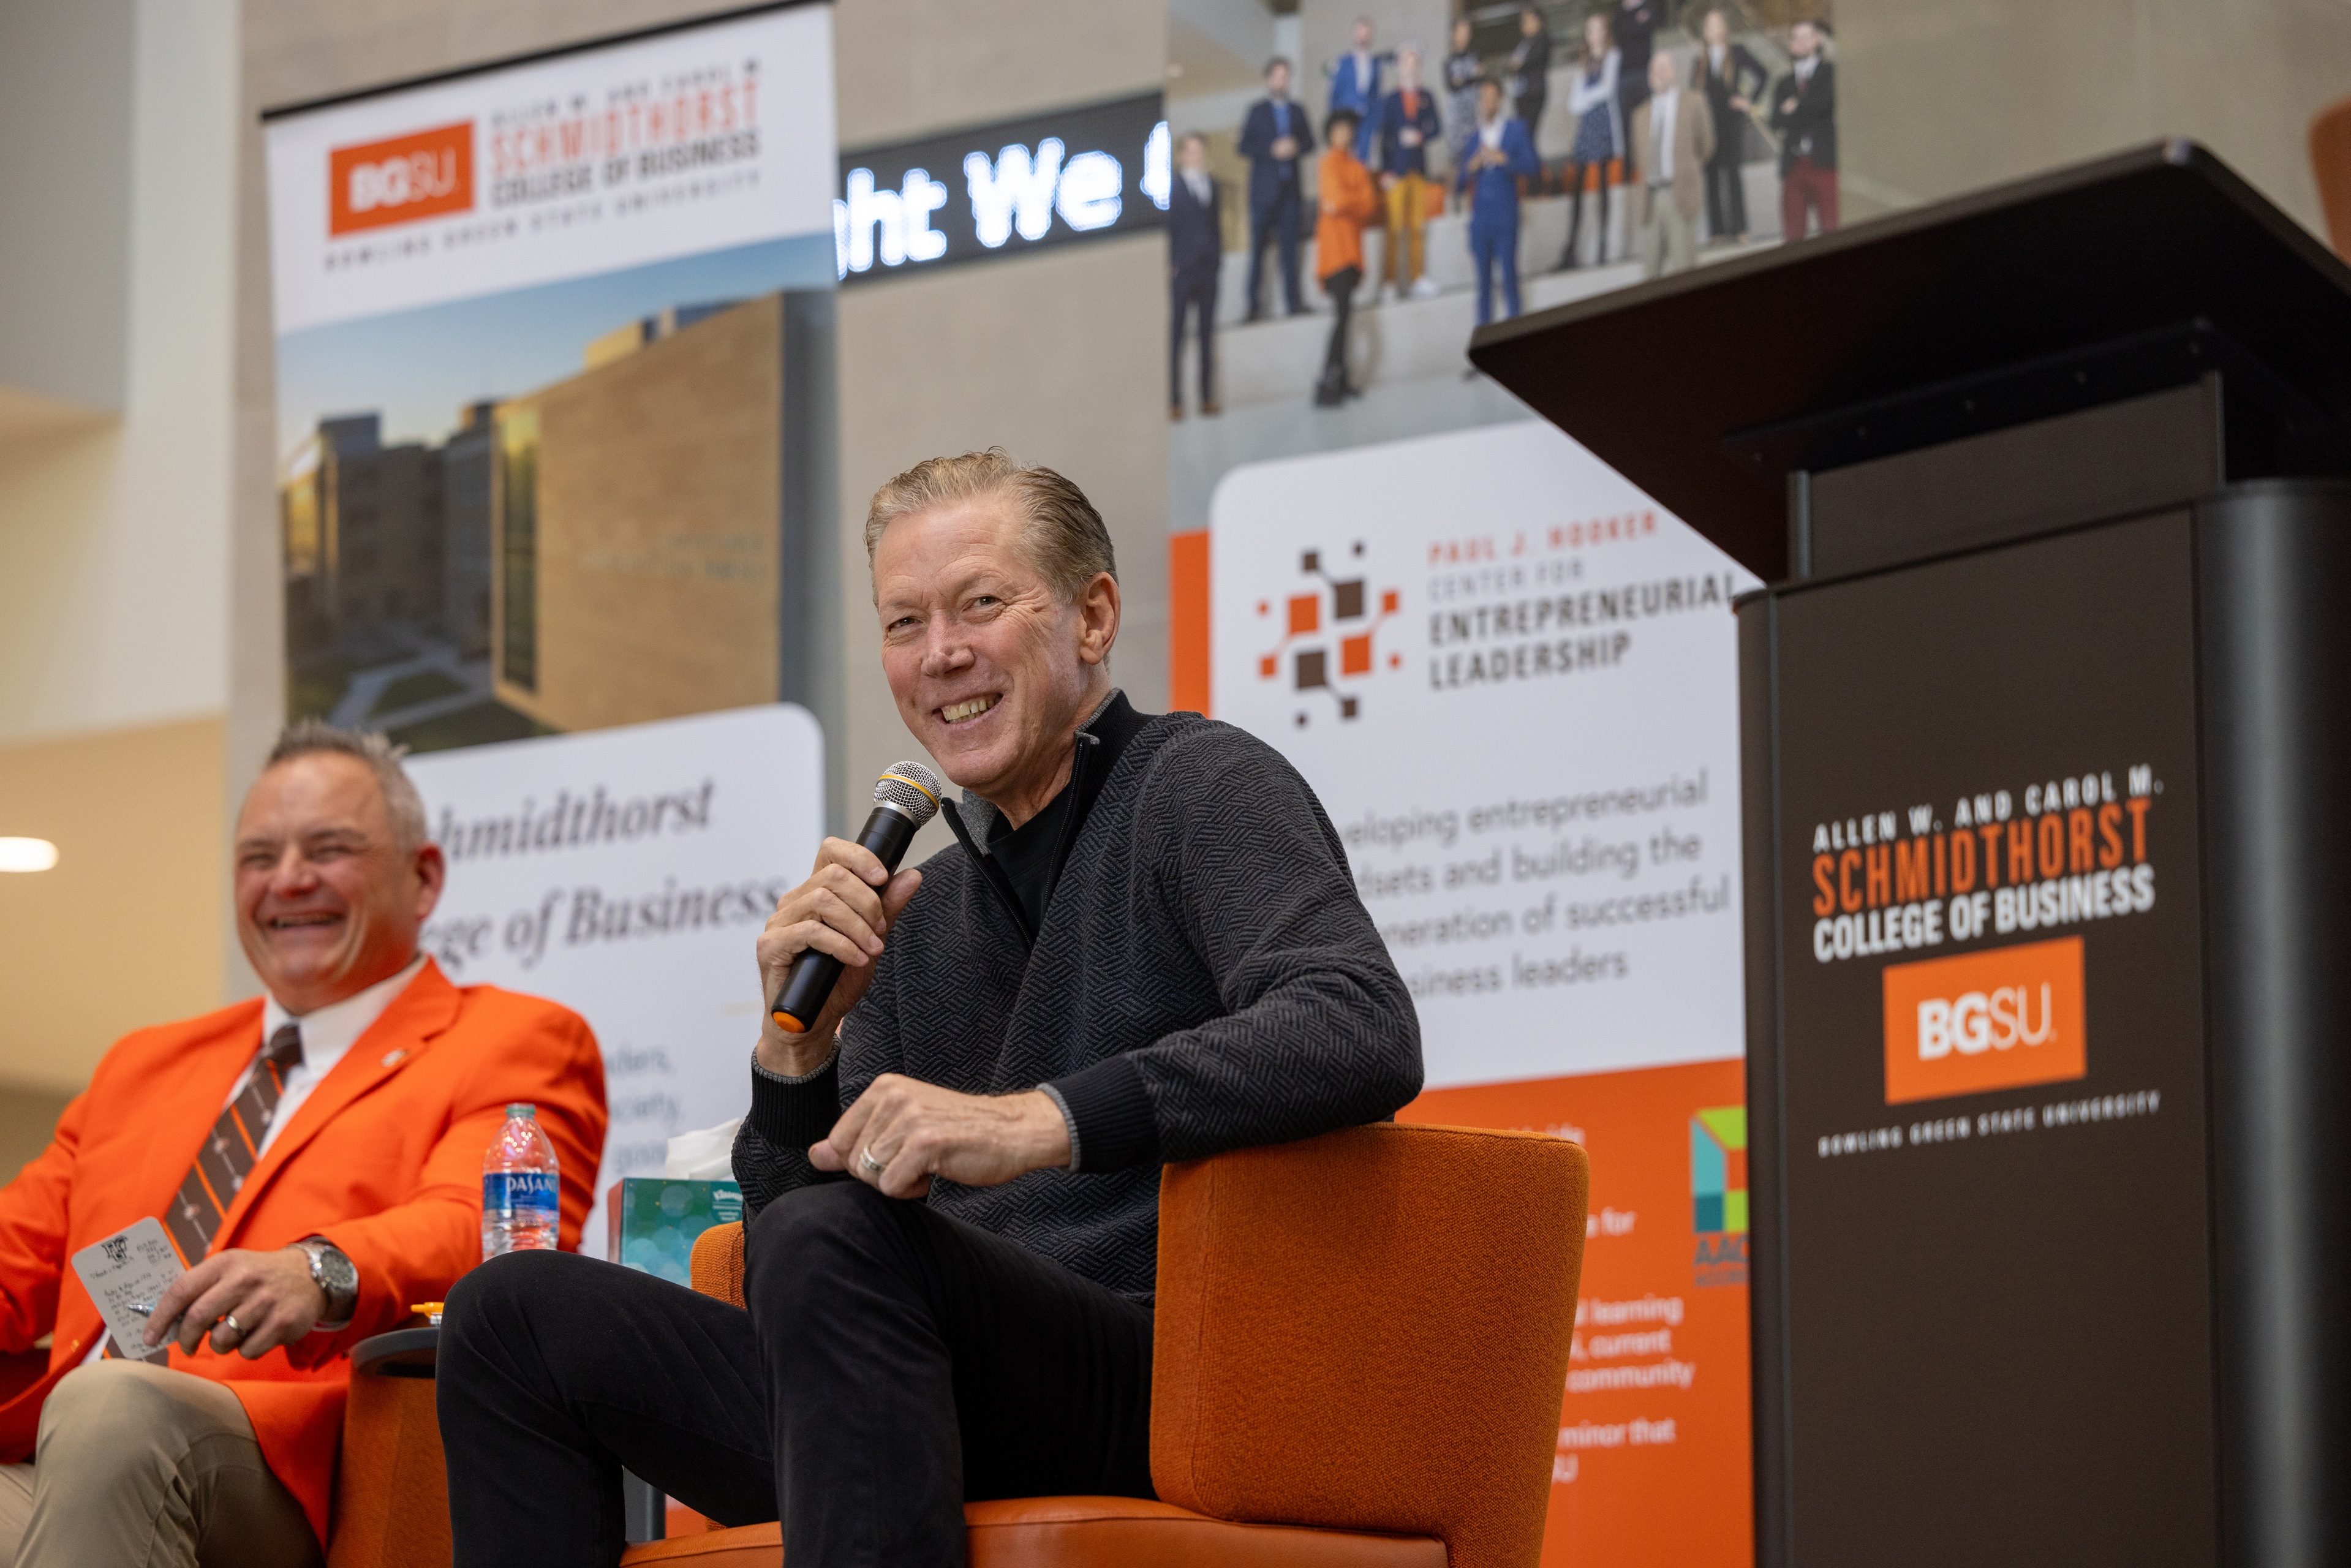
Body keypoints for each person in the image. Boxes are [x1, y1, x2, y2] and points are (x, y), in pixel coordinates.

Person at [437, 451, 1425, 1567]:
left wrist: (1035, 1120)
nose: (940, 653)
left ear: (1093, 616)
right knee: (509, 1317)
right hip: (907, 1377)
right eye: (904, 623)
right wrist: (792, 1048)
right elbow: (790, 1252)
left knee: (840, 1237)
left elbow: (1354, 1022)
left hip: (1156, 1372)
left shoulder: (1198, 784)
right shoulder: (920, 900)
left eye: (980, 605)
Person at [0, 722, 605, 1568]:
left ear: (423, 877)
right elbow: (15, 1256)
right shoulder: (142, 1066)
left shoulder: (518, 1037)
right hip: (59, 1461)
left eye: (330, 848)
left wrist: (321, 1270)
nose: (289, 880)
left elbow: (481, 1225)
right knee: (98, 1413)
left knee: (111, 1407)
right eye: (259, 858)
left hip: (296, 1468)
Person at [1239, 57, 1315, 320]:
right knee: (1258, 253)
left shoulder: (1297, 110)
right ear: (1268, 79)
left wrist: (1295, 147)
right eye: (1278, 76)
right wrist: (1271, 151)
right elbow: (1244, 147)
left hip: (1290, 193)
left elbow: (1310, 142)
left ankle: (1294, 303)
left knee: (1290, 253)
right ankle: (1253, 307)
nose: (1283, 81)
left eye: (1287, 76)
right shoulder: (1256, 111)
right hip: (1262, 194)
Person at [1459, 77, 1539, 327]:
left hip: (1505, 216)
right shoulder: (1474, 139)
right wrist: (1472, 166)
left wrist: (1504, 160)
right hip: (1481, 220)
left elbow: (1532, 165)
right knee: (1483, 284)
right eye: (1483, 99)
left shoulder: (1515, 130)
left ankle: (1516, 338)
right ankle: (1484, 340)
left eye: (1492, 98)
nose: (1487, 103)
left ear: (1501, 100)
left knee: (1509, 278)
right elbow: (1460, 182)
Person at [1629, 49, 1715, 278]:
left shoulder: (1694, 102)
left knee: (1684, 270)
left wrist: (1687, 169)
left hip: (1680, 194)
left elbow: (1706, 146)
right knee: (1650, 274)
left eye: (1664, 67)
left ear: (1675, 71)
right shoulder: (1640, 114)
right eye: (1654, 69)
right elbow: (1639, 158)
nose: (1659, 73)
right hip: (1650, 199)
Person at [1314, 107, 1378, 406]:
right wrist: (1349, 201)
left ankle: (1340, 377)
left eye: (1348, 130)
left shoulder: (1356, 166)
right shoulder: (1328, 164)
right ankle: (1329, 378)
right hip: (1335, 252)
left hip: (1352, 250)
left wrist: (1344, 203)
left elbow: (1367, 204)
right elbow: (1339, 200)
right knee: (1341, 316)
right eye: (1340, 130)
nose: (1345, 135)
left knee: (1346, 315)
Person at [1371, 45, 1443, 301]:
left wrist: (1421, 135)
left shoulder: (1427, 96)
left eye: (1414, 62)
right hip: (1396, 171)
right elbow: (1384, 137)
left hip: (1418, 169)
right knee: (1394, 228)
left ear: (1419, 66)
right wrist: (1386, 171)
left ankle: (1417, 278)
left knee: (1417, 228)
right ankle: (1390, 283)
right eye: (1405, 62)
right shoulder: (1390, 100)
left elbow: (1437, 128)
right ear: (1400, 67)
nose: (1410, 66)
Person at [1691, 7, 1768, 245]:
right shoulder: (1699, 62)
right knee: (1711, 177)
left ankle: (1740, 229)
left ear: (1724, 29)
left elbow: (1763, 74)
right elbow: (1693, 96)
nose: (1714, 30)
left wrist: (1749, 101)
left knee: (1733, 176)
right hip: (1708, 127)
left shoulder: (1738, 52)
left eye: (1718, 24)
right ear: (1704, 31)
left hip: (1731, 124)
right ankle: (1718, 231)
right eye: (1709, 25)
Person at [1561, 11, 1623, 268]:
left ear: (1605, 33)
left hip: (1603, 124)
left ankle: (1602, 246)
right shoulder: (1583, 64)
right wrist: (1588, 98)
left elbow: (1607, 91)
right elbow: (1573, 104)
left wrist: (1586, 98)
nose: (1593, 35)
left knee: (1601, 186)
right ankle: (1571, 249)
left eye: (1598, 29)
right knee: (1577, 184)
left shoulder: (1613, 56)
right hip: (1586, 126)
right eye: (1590, 30)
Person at [1167, 131, 1222, 420]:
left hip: (1208, 269)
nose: (1195, 155)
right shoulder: (1171, 189)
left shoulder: (1212, 185)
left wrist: (1217, 260)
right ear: (1181, 154)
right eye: (1190, 150)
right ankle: (1174, 400)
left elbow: (1215, 227)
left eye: (1199, 150)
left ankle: (1207, 396)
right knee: (1176, 337)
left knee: (1206, 336)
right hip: (1182, 270)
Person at [1771, 18, 1838, 238]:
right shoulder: (1784, 83)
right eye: (1796, 38)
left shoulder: (1830, 72)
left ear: (1818, 39)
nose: (1801, 42)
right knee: (1793, 232)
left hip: (1824, 160)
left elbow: (1826, 104)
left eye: (1806, 36)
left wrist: (1797, 105)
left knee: (1831, 228)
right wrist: (1804, 107)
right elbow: (1777, 120)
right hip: (1794, 163)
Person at [1326, 16, 1385, 160]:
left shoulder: (1376, 64)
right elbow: (1334, 95)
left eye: (1367, 34)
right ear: (1354, 34)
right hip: (1346, 119)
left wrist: (1376, 123)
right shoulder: (1342, 62)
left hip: (1367, 122)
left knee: (1363, 161)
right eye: (1361, 33)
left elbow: (1377, 96)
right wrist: (1335, 123)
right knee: (1344, 158)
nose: (1363, 37)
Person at [1506, 7, 1552, 159]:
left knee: (1529, 136)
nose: (1524, 24)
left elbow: (1527, 62)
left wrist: (1519, 64)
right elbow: (1512, 65)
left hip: (1534, 94)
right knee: (1525, 137)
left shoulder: (1543, 39)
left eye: (1528, 20)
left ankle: (1535, 177)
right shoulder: (1524, 44)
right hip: (1522, 94)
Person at [1612, 0, 1662, 133]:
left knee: (1648, 116)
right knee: (1626, 121)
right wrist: (1636, 23)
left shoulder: (1649, 7)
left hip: (1644, 71)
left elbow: (1644, 28)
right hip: (1625, 74)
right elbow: (1619, 33)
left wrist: (1631, 27)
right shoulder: (1619, 15)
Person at [1443, 15, 1484, 179]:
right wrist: (1470, 78)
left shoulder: (1476, 56)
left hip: (1474, 112)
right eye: (1461, 31)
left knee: (1476, 152)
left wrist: (1464, 81)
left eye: (1467, 32)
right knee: (1456, 157)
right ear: (1454, 34)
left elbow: (1480, 78)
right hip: (1457, 117)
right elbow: (1452, 84)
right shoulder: (1449, 61)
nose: (1464, 35)